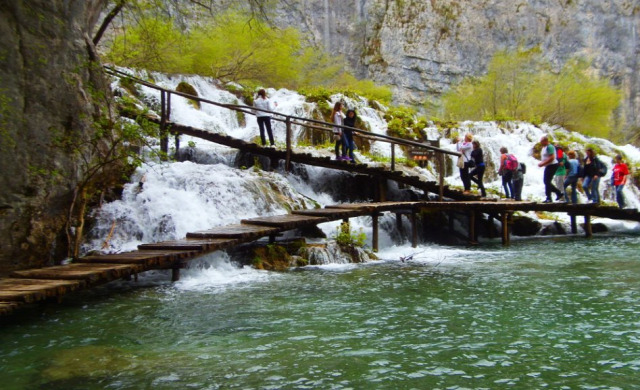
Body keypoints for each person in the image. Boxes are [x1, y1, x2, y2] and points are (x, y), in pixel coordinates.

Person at [537, 135, 563, 203]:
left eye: (542, 141)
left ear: (546, 141)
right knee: (546, 181)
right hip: (549, 165)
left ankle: (549, 197)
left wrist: (543, 163)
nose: (541, 143)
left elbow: (552, 157)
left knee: (547, 181)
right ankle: (557, 193)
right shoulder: (544, 147)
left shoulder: (550, 147)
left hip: (552, 165)